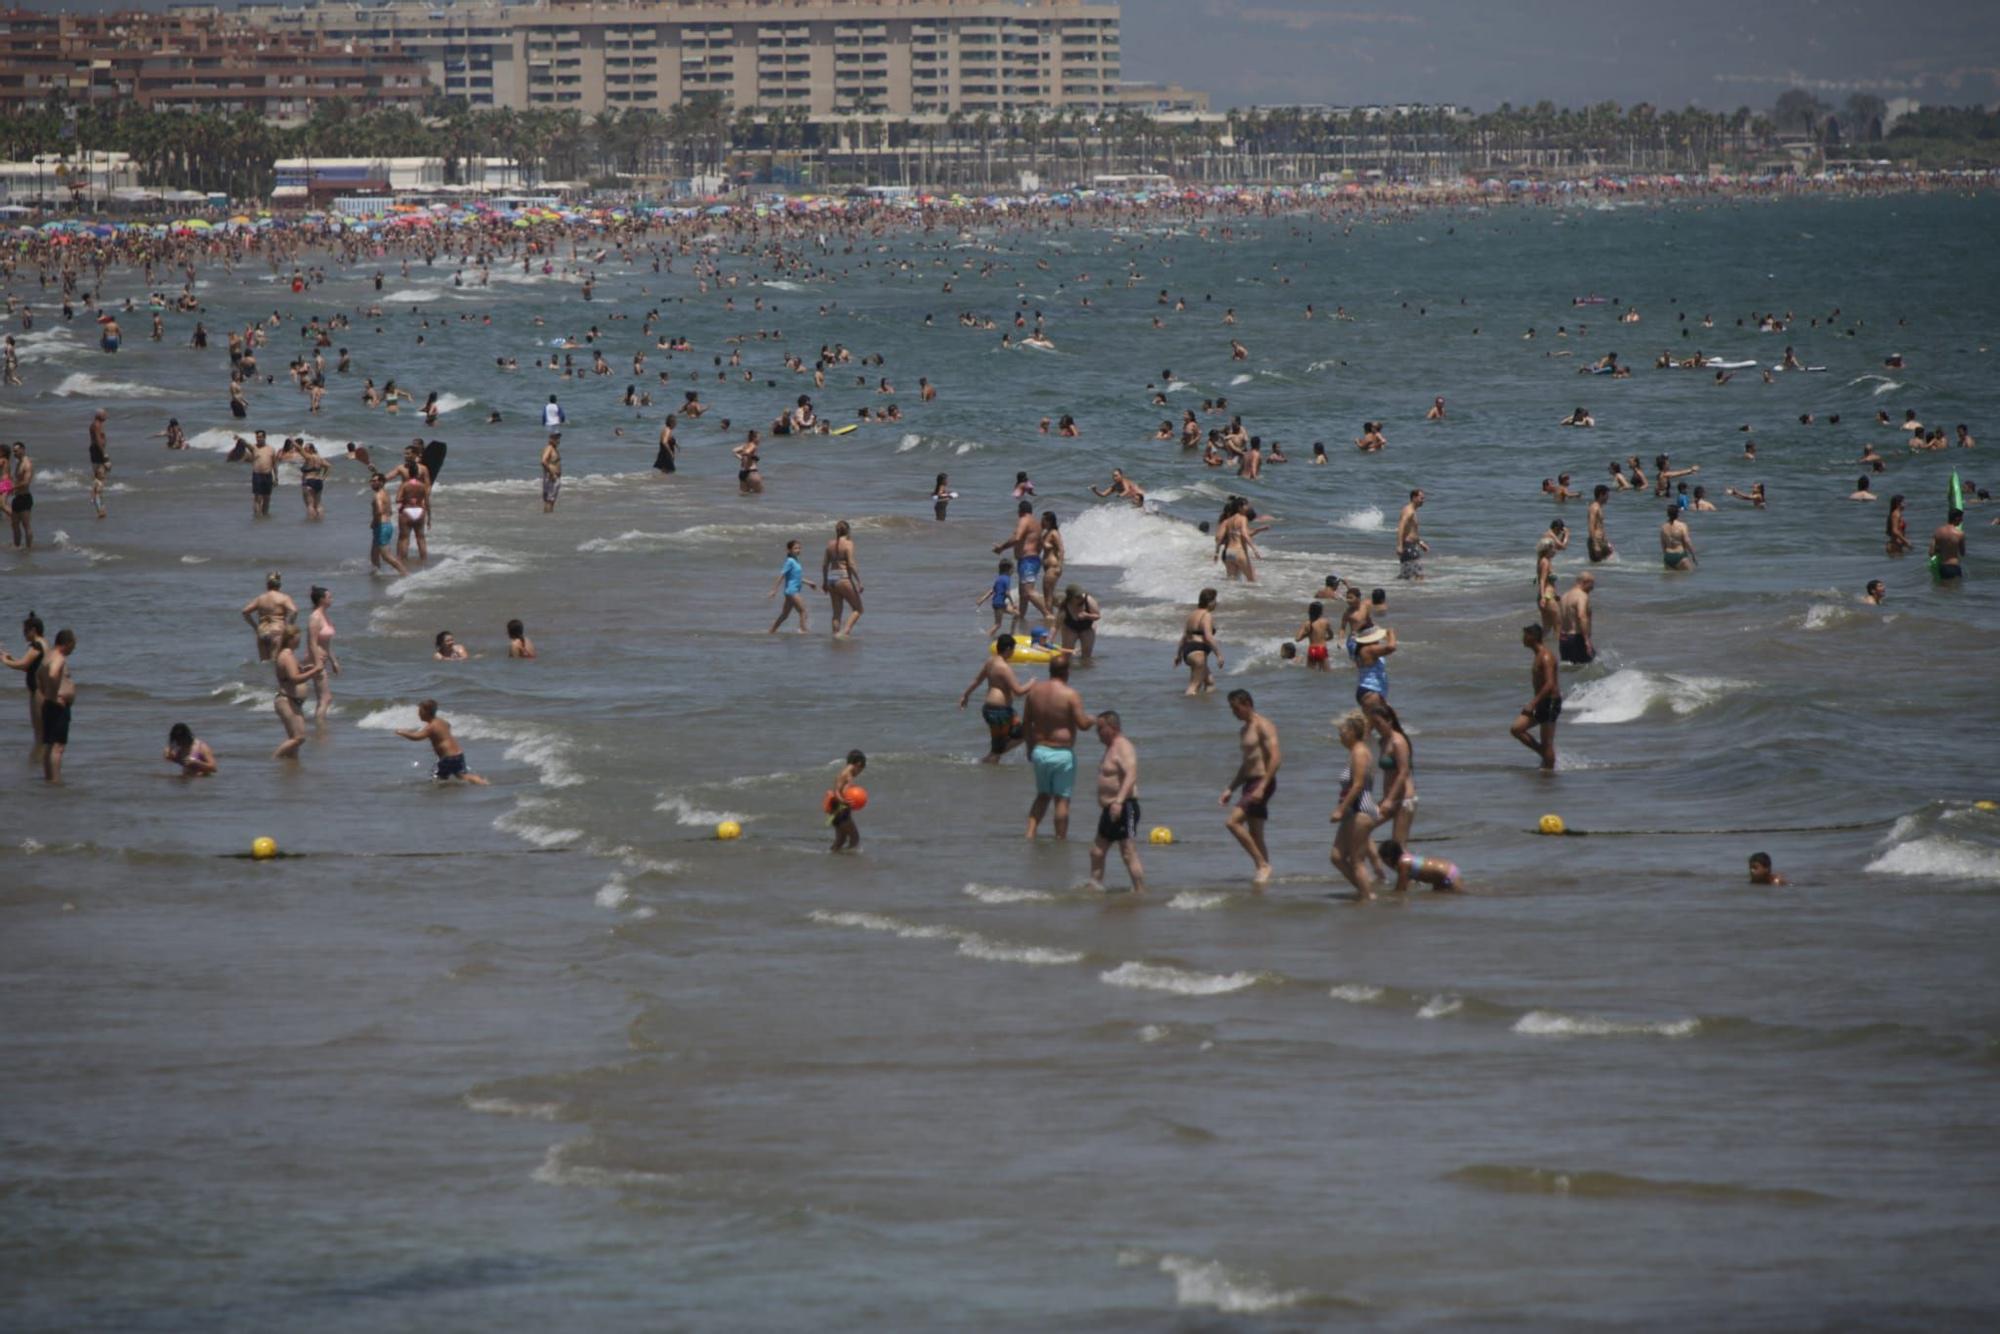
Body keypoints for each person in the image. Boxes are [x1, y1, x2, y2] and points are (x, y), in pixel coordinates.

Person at [1022, 654, 1094, 840]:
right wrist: (1093, 719)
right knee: (1062, 799)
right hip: (1062, 753)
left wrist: (1029, 748)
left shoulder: (1034, 692)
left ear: (1050, 670)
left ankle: (1030, 833)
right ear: (1067, 672)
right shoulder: (1070, 695)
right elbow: (1082, 725)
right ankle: (1060, 838)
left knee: (1042, 795)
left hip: (1039, 751)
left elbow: (1026, 723)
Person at [1220, 688, 1280, 884]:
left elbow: (1276, 758)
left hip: (1263, 781)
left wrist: (1263, 786)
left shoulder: (1264, 725)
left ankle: (1262, 865)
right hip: (1249, 783)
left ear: (1247, 705)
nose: (1234, 713)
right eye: (1231, 709)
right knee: (1255, 833)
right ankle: (1263, 874)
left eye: (1236, 708)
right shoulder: (1244, 730)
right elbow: (1247, 765)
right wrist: (1231, 788)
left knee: (1232, 822)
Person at [1088, 711, 1144, 892]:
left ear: (1113, 728)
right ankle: (1094, 887)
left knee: (1128, 851)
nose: (1097, 733)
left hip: (1125, 807)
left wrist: (1119, 802)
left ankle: (1139, 891)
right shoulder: (1110, 747)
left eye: (1100, 728)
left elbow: (1131, 774)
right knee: (1097, 851)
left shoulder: (1123, 746)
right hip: (1110, 809)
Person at [1327, 711, 1378, 899]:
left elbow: (1357, 785)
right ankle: (1366, 892)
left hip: (1361, 810)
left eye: (1342, 731)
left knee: (1357, 861)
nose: (1339, 735)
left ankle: (1367, 898)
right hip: (1352, 810)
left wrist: (1340, 809)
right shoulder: (1354, 752)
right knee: (1337, 857)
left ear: (1352, 732)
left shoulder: (1359, 752)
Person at [960, 634, 1029, 763]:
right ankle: (984, 762)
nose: (1014, 652)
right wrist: (1032, 683)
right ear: (1008, 649)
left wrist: (965, 695)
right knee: (999, 750)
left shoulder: (990, 661)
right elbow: (1019, 691)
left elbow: (977, 681)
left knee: (1022, 732)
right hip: (999, 712)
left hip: (994, 710)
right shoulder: (1004, 667)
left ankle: (990, 764)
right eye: (1013, 649)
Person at [396, 698, 489, 784]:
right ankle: (481, 781)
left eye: (420, 711)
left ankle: (481, 783)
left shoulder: (431, 727)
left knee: (436, 779)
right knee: (461, 775)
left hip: (448, 758)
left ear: (427, 712)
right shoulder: (441, 721)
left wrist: (402, 732)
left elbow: (416, 737)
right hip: (458, 754)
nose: (418, 714)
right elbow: (448, 725)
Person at [1509, 624, 1561, 770]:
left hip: (1550, 703)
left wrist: (1532, 703)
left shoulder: (1545, 657)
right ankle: (1544, 756)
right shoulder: (1538, 655)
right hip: (1542, 702)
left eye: (1525, 636)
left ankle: (1548, 773)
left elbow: (1550, 684)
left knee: (1547, 743)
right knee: (1516, 729)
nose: (1523, 639)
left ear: (1532, 637)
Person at [993, 501, 1049, 624]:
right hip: (1031, 560)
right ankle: (1021, 617)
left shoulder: (1024, 520)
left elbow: (1017, 538)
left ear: (1020, 511)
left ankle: (1048, 615)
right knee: (1023, 594)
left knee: (1028, 592)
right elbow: (1038, 543)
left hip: (1028, 561)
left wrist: (1001, 548)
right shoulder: (1036, 523)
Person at [2, 611, 48, 758]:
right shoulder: (44, 643)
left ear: (33, 630)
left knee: (39, 733)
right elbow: (30, 667)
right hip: (43, 690)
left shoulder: (36, 645)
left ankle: (38, 760)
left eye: (25, 631)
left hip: (39, 692)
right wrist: (10, 658)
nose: (23, 634)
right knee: (42, 731)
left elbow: (23, 664)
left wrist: (5, 661)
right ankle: (40, 760)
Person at [271, 625, 319, 762]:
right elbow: (295, 679)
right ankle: (273, 760)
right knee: (299, 737)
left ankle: (292, 771)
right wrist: (314, 671)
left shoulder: (289, 655)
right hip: (286, 700)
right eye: (298, 638)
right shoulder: (286, 656)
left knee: (295, 743)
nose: (300, 641)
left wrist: (305, 669)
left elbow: (293, 674)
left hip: (293, 701)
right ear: (290, 639)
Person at [37, 627, 76, 783]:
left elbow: (38, 676)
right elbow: (53, 674)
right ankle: (56, 780)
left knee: (49, 745)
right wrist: (56, 695)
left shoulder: (48, 656)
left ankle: (48, 778)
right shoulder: (59, 657)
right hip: (58, 707)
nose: (74, 648)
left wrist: (47, 694)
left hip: (49, 705)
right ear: (66, 643)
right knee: (58, 748)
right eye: (73, 645)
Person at [241, 572, 297, 663]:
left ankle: (263, 678)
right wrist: (289, 626)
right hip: (277, 631)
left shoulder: (260, 598)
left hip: (262, 631)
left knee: (264, 663)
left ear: (267, 584)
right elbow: (294, 611)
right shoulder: (284, 598)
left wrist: (255, 627)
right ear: (279, 584)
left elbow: (245, 612)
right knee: (275, 663)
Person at [1174, 588, 1222, 695]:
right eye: (1215, 600)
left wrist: (1178, 655)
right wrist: (1219, 655)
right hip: (1198, 653)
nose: (1216, 603)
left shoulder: (1192, 614)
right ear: (1210, 602)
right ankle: (1187, 708)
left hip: (1189, 651)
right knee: (1194, 686)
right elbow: (1208, 637)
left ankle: (1202, 708)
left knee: (1210, 682)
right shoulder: (1206, 615)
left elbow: (1184, 637)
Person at [822, 520, 864, 637]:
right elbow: (851, 564)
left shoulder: (830, 544)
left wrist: (825, 582)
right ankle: (845, 632)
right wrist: (859, 581)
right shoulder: (849, 544)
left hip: (831, 579)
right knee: (858, 609)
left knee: (836, 613)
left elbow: (825, 565)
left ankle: (836, 636)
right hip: (843, 577)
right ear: (848, 531)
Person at [767, 539, 817, 633]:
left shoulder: (796, 561)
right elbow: (782, 575)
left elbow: (797, 577)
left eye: (799, 548)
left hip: (791, 591)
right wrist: (774, 590)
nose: (798, 550)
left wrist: (809, 583)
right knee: (803, 611)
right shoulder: (789, 561)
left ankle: (771, 631)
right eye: (795, 548)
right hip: (792, 591)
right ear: (789, 550)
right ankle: (803, 631)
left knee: (785, 615)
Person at [305, 586, 339, 725]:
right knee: (326, 698)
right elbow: (311, 642)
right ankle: (320, 726)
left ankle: (319, 723)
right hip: (315, 660)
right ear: (321, 600)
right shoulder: (315, 617)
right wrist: (317, 662)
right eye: (329, 597)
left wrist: (334, 661)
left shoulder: (325, 616)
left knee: (322, 697)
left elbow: (326, 643)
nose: (332, 599)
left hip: (323, 660)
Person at [1378, 839, 1461, 892]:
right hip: (1447, 871)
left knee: (1461, 897)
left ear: (1388, 859)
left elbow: (1401, 890)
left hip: (1446, 875)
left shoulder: (1403, 864)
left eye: (1383, 860)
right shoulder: (1406, 856)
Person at [369, 473, 408, 576]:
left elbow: (380, 510)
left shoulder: (378, 495)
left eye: (375, 481)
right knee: (374, 553)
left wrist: (374, 521)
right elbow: (390, 511)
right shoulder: (385, 493)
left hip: (382, 526)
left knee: (386, 556)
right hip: (385, 525)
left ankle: (405, 573)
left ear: (381, 482)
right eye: (371, 481)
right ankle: (376, 573)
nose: (372, 483)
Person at [827, 749, 866, 852]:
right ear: (859, 764)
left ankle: (833, 859)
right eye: (862, 768)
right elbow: (836, 792)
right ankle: (850, 862)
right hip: (840, 811)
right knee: (855, 838)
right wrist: (844, 802)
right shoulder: (845, 774)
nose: (860, 772)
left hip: (838, 810)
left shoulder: (847, 774)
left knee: (841, 840)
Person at [1351, 624, 1393, 713]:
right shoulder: (1368, 649)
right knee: (1386, 723)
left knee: (1388, 720)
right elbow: (1391, 647)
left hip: (1371, 691)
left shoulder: (1362, 649)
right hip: (1371, 691)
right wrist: (1391, 634)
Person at [1558, 572, 1596, 665]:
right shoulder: (1581, 596)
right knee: (1587, 669)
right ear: (1585, 582)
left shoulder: (1564, 596)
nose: (1592, 588)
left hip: (1563, 639)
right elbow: (1581, 616)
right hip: (1576, 638)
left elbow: (1560, 618)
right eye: (1591, 585)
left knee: (1569, 669)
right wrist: (1586, 640)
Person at [1056, 584, 1099, 660]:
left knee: (1087, 655)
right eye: (1077, 597)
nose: (1081, 598)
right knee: (1067, 655)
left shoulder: (1088, 600)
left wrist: (1087, 616)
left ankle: (1085, 669)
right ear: (1070, 598)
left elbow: (1097, 616)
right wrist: (1049, 640)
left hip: (1087, 627)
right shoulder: (1064, 605)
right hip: (1070, 628)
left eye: (1081, 595)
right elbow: (1056, 625)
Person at [974, 560, 1016, 636]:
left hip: (998, 603)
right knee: (998, 624)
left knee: (1017, 614)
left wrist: (982, 600)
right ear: (1008, 570)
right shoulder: (1006, 579)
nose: (1013, 571)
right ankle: (986, 636)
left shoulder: (999, 578)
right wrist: (1013, 604)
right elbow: (1007, 593)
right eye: (1013, 569)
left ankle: (1012, 634)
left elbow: (992, 591)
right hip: (999, 604)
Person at [1396, 489, 1428, 580]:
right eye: (1421, 498)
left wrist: (1420, 543)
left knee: (1406, 576)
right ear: (1414, 498)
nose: (1423, 501)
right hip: (1408, 547)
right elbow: (1401, 526)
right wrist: (1399, 545)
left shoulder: (1413, 511)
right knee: (1419, 574)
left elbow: (1411, 531)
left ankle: (1392, 589)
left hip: (1410, 546)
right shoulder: (1408, 510)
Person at [1294, 600, 1334, 670]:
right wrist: (1324, 639)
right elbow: (1331, 636)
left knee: (1311, 673)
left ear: (1309, 611)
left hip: (1312, 650)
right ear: (1321, 612)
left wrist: (1307, 634)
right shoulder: (1325, 622)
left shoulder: (1307, 623)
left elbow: (1297, 639)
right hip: (1321, 649)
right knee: (1327, 673)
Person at [1929, 509, 1966, 581]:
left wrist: (1942, 549)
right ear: (1957, 518)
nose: (1962, 520)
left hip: (1943, 567)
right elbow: (1962, 553)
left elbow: (1931, 553)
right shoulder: (1960, 534)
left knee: (1944, 590)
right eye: (1961, 518)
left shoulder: (1938, 532)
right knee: (1955, 590)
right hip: (1954, 567)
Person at [1660, 504, 1696, 571]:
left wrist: (1666, 557)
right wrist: (1693, 554)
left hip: (1668, 556)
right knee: (1690, 575)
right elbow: (1687, 541)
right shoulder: (1682, 525)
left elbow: (1663, 544)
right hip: (1680, 555)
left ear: (1668, 514)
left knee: (1670, 579)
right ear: (1677, 514)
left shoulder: (1663, 527)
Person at [1586, 484, 1614, 562]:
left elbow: (1601, 526)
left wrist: (1607, 541)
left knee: (1605, 563)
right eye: (1607, 495)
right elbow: (1591, 525)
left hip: (1601, 540)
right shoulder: (1594, 507)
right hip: (1596, 540)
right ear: (1601, 494)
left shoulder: (1599, 507)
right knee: (1598, 565)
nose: (1608, 497)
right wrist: (1595, 544)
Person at [540, 432, 562, 513]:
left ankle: (547, 520)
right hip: (552, 477)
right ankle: (548, 518)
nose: (558, 440)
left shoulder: (553, 448)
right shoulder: (549, 448)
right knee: (550, 500)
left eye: (558, 438)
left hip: (551, 476)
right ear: (551, 439)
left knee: (548, 500)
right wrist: (552, 474)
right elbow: (543, 461)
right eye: (556, 438)